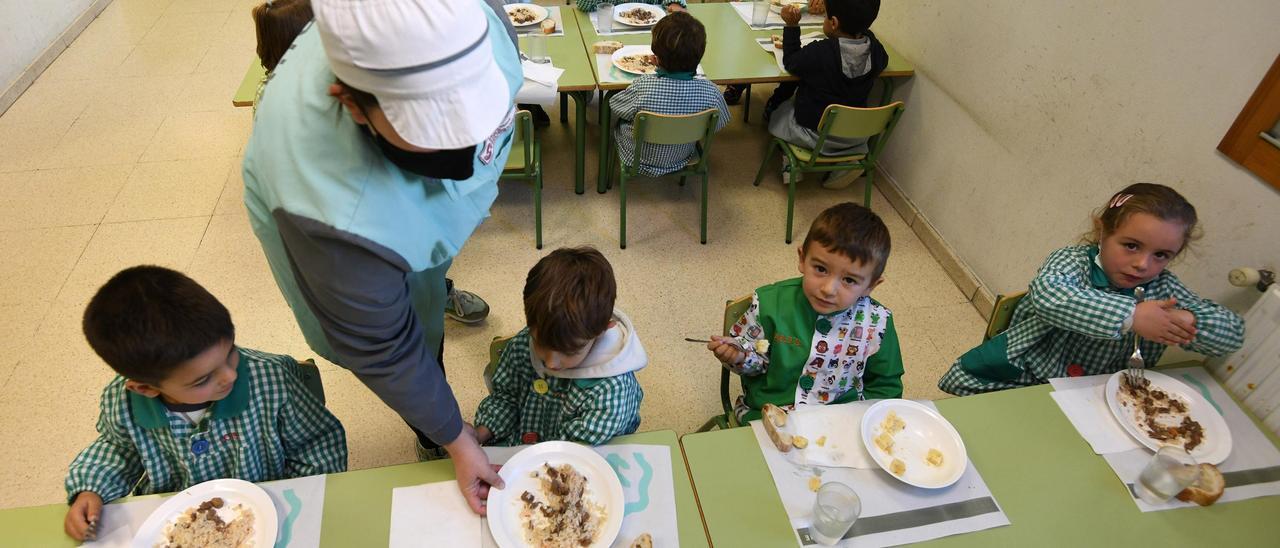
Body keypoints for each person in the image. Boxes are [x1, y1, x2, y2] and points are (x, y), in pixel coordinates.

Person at [241, 0, 521, 515]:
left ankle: (435, 283)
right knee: (414, 344)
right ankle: (429, 431)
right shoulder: (325, 211)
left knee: (425, 278)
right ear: (348, 102)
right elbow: (384, 348)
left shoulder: (480, 17)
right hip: (351, 251)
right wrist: (456, 438)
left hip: (401, 227)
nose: (462, 160)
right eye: (425, 139)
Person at [63, 266, 346, 542]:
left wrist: (304, 501)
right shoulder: (123, 403)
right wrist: (91, 490)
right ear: (146, 388)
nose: (230, 375)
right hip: (177, 522)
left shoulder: (270, 379)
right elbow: (117, 450)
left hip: (270, 511)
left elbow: (317, 444)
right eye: (203, 380)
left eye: (231, 352)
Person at [938, 184, 1246, 396]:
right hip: (1023, 378)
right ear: (1102, 231)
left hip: (1099, 395)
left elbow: (1233, 333)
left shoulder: (1164, 289)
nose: (1142, 264)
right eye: (1131, 246)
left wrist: (1189, 322)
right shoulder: (1072, 261)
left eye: (1161, 255)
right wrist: (1131, 316)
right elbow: (1050, 297)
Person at [706, 203, 903, 421]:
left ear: (871, 285)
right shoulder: (770, 304)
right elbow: (755, 364)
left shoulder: (878, 323)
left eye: (849, 280)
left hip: (840, 420)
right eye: (820, 269)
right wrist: (738, 356)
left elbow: (886, 387)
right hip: (768, 414)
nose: (828, 289)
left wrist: (861, 420)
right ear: (802, 258)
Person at [475, 247, 646, 446]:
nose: (550, 362)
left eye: (568, 351)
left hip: (576, 454)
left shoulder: (612, 390)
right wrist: (481, 432)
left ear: (601, 331)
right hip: (523, 443)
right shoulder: (526, 343)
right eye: (540, 343)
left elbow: (573, 451)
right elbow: (506, 398)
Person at [768, 0, 886, 189]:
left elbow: (791, 62)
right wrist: (863, 28)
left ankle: (793, 165)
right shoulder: (877, 52)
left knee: (778, 113)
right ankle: (845, 164)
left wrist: (792, 26)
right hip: (857, 136)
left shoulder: (820, 53)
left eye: (825, 17)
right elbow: (884, 60)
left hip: (815, 134)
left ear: (833, 23)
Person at [608, 11, 730, 177]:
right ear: (700, 57)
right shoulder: (712, 92)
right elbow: (718, 124)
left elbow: (616, 106)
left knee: (615, 122)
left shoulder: (643, 87)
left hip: (637, 158)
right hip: (682, 157)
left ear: (656, 59)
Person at [576, 0, 685, 14]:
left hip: (650, 31)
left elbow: (675, 4)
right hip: (611, 28)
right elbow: (582, 5)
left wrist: (674, 3)